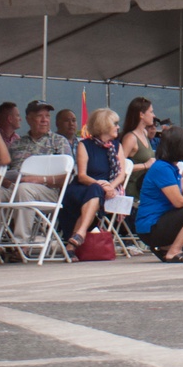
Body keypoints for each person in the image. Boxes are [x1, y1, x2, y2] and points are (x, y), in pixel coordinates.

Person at [0, 101, 74, 249]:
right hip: (16, 187)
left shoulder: (58, 141)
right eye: (39, 116)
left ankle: (21, 246)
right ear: (28, 119)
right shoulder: (16, 144)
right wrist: (4, 180)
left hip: (48, 191)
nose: (44, 120)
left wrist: (39, 179)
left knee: (25, 189)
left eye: (47, 116)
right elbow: (4, 171)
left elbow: (69, 176)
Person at [60, 108, 127, 258]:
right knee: (95, 191)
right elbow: (82, 175)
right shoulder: (85, 145)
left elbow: (121, 175)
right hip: (83, 186)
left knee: (95, 192)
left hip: (105, 190)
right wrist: (102, 184)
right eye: (115, 124)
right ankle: (79, 235)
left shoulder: (117, 146)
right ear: (104, 125)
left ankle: (76, 239)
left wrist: (110, 186)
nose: (118, 127)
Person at [136, 127, 183, 262]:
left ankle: (167, 247)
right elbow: (179, 202)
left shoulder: (171, 167)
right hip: (151, 227)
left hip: (161, 222)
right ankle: (174, 250)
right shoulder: (162, 168)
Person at [120, 97, 156, 200]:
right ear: (141, 114)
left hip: (145, 185)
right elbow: (120, 166)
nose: (153, 115)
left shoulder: (144, 133)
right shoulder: (131, 138)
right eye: (151, 112)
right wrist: (145, 165)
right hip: (134, 189)